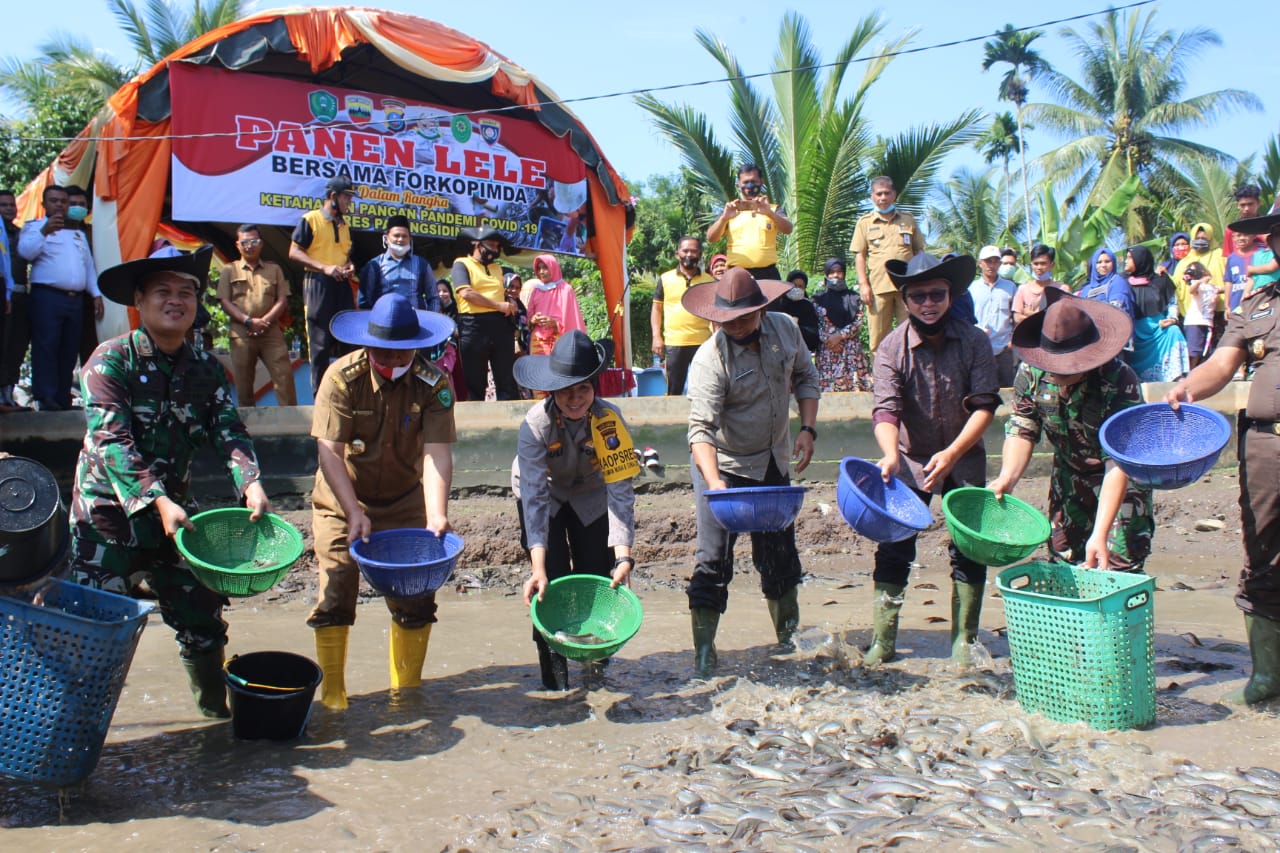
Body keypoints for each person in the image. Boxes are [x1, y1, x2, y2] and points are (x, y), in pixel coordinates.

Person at [68, 246, 270, 719]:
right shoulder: (108, 362)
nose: (175, 300)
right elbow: (112, 440)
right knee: (94, 628)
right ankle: (80, 735)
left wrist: (251, 483)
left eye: (187, 292)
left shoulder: (207, 371)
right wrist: (154, 500)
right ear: (140, 299)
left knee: (202, 618)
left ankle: (215, 722)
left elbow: (230, 433)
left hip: (177, 519)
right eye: (163, 291)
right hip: (106, 520)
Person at [307, 293, 457, 711]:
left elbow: (436, 452)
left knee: (416, 594)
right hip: (342, 497)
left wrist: (436, 514)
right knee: (337, 583)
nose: (390, 361)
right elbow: (329, 452)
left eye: (400, 352)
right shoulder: (341, 378)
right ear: (368, 344)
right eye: (381, 352)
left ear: (417, 345)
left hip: (406, 499)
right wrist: (353, 511)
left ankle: (406, 690)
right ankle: (334, 693)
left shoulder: (433, 382)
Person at [1165, 211, 1280, 706]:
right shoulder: (1256, 306)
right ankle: (1267, 676)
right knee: (1262, 550)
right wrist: (1186, 388)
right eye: (1278, 235)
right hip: (1264, 446)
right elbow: (1221, 363)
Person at [683, 268, 820, 677]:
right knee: (713, 560)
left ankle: (787, 640)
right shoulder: (710, 358)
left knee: (779, 557)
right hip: (723, 464)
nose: (737, 326)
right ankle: (705, 652)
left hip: (774, 462)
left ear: (761, 310)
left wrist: (808, 429)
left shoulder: (785, 330)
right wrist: (715, 487)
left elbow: (805, 376)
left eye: (745, 317)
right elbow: (700, 431)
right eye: (729, 320)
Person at [868, 253, 1000, 667]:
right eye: (919, 296)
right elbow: (885, 412)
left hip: (964, 456)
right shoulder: (891, 348)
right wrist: (890, 454)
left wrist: (954, 452)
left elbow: (984, 407)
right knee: (894, 546)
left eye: (937, 295)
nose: (929, 303)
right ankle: (883, 640)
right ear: (905, 300)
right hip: (909, 458)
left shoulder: (975, 341)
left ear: (951, 295)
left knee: (969, 548)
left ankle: (963, 640)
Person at [990, 291, 1153, 575]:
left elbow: (1118, 462)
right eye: (1052, 369)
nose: (1056, 376)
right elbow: (1022, 428)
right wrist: (1008, 477)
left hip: (1120, 482)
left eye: (1066, 370)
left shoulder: (1119, 380)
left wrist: (1100, 534)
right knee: (1066, 561)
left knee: (1115, 565)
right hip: (1069, 479)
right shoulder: (1030, 373)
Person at [514, 331, 637, 690]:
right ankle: (554, 682)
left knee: (597, 574)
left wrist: (624, 557)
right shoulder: (535, 424)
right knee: (548, 585)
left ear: (594, 387)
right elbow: (535, 497)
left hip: (592, 495)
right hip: (545, 496)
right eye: (566, 390)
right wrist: (537, 567)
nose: (574, 398)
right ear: (551, 390)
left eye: (583, 388)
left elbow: (620, 491)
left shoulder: (609, 421)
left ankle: (596, 673)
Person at [17, 184, 102, 410]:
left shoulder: (77, 233)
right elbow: (25, 252)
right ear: (44, 204)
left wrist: (96, 294)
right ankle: (45, 397)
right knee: (46, 346)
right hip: (47, 297)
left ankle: (62, 397)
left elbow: (89, 267)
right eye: (54, 200)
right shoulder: (35, 227)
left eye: (63, 201)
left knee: (69, 348)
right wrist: (45, 230)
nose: (59, 205)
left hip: (74, 300)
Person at [289, 176, 357, 396]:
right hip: (318, 282)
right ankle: (319, 397)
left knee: (348, 336)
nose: (349, 201)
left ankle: (349, 392)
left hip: (341, 283)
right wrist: (324, 267)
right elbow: (294, 252)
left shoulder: (345, 225)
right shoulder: (311, 219)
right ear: (333, 197)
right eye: (346, 197)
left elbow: (344, 255)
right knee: (320, 342)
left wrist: (349, 267)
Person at [218, 224, 296, 407]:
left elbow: (282, 300)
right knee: (243, 382)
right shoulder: (229, 270)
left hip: (271, 332)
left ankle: (290, 420)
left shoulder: (274, 269)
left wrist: (264, 321)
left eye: (254, 241)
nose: (249, 246)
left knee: (284, 376)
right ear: (238, 245)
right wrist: (248, 321)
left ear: (261, 243)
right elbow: (224, 301)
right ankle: (247, 427)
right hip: (241, 334)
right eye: (245, 242)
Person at [850, 176, 925, 355]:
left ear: (894, 195)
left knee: (912, 334)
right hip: (878, 288)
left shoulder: (908, 220)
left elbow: (919, 252)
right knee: (878, 339)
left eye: (887, 193)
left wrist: (921, 281)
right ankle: (881, 381)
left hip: (906, 287)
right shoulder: (865, 223)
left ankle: (912, 378)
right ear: (872, 197)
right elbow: (860, 255)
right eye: (879, 194)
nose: (883, 197)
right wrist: (864, 285)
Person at [451, 226, 520, 401]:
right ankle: (476, 426)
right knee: (475, 382)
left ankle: (510, 425)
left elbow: (501, 293)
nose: (494, 250)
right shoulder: (461, 264)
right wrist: (498, 305)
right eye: (491, 244)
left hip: (500, 325)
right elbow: (466, 293)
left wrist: (510, 302)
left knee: (506, 380)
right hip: (473, 325)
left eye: (497, 246)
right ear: (477, 244)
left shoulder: (497, 268)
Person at [706, 163, 793, 280]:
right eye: (745, 182)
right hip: (737, 274)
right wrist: (724, 218)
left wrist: (769, 213)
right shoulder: (730, 209)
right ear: (738, 184)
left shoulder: (773, 209)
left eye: (754, 181)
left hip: (767, 274)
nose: (750, 185)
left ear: (762, 182)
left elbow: (788, 229)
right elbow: (711, 238)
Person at [651, 236, 714, 395]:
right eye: (685, 250)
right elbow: (657, 310)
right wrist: (656, 337)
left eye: (694, 251)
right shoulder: (665, 279)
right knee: (674, 390)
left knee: (705, 388)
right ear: (677, 254)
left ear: (700, 254)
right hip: (675, 342)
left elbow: (715, 312)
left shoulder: (709, 280)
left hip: (703, 342)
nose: (689, 254)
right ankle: (672, 420)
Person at [1124, 245, 1189, 383]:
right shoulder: (1121, 282)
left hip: (1159, 329)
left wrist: (1172, 318)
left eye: (1130, 258)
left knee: (1174, 331)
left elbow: (1172, 302)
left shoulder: (1160, 280)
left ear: (1140, 259)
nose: (1126, 261)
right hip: (1135, 332)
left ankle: (1176, 377)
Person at [357, 214, 439, 313]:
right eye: (396, 235)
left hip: (416, 324)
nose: (400, 239)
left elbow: (434, 298)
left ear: (410, 239)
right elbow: (363, 302)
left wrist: (430, 320)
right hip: (383, 324)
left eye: (404, 236)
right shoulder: (374, 265)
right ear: (386, 239)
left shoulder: (422, 265)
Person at [811, 257, 871, 392]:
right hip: (828, 352)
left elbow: (858, 321)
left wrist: (840, 336)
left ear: (844, 273)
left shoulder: (855, 298)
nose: (835, 275)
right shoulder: (817, 299)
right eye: (831, 272)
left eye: (839, 272)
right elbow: (815, 323)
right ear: (826, 274)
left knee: (854, 394)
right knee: (828, 396)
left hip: (850, 351)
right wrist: (829, 339)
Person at [1172, 222, 1227, 346]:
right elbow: (1176, 285)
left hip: (1218, 312)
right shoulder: (1185, 261)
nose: (1200, 241)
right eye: (1197, 238)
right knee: (1196, 351)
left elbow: (1230, 280)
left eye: (1203, 238)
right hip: (1194, 316)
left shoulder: (1221, 255)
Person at [971, 245, 1019, 387]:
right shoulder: (971, 288)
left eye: (995, 261)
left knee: (1007, 389)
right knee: (982, 388)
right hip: (979, 348)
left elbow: (1015, 316)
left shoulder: (1010, 287)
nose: (991, 265)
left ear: (999, 263)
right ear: (980, 263)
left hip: (1004, 348)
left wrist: (1012, 340)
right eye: (988, 261)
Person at [0, 189, 30, 408]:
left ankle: (10, 391)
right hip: (4, 295)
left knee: (17, 346)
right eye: (3, 205)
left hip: (21, 296)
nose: (9, 208)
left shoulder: (23, 233)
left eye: (11, 204)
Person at [66, 185, 100, 369]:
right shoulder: (52, 230)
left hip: (92, 299)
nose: (78, 207)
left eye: (82, 204)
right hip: (64, 297)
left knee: (91, 345)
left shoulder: (96, 232)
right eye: (73, 204)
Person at [526, 254, 585, 360]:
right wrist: (533, 319)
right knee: (537, 372)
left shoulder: (566, 290)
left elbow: (572, 320)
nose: (541, 272)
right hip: (538, 342)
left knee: (558, 373)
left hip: (559, 340)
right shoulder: (536, 290)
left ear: (553, 267)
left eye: (545, 267)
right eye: (538, 268)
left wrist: (554, 323)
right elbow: (529, 318)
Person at [1012, 244, 1069, 325]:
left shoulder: (1062, 289)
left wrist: (1031, 314)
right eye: (1036, 263)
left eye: (1043, 263)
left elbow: (1065, 318)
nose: (1039, 267)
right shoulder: (1023, 289)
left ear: (1052, 265)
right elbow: (1017, 318)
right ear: (1031, 265)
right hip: (1029, 336)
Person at [771, 269, 820, 354]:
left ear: (805, 288)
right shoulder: (779, 304)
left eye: (800, 286)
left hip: (802, 352)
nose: (797, 289)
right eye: (794, 285)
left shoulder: (808, 306)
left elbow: (814, 334)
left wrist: (797, 328)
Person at [1078, 248, 1135, 319]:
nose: (1103, 265)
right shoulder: (1086, 289)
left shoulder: (1117, 282)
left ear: (1113, 263)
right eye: (1099, 262)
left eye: (1107, 261)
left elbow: (1116, 310)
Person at [1180, 261, 1217, 368]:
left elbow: (1224, 289)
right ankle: (1189, 373)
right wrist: (1201, 280)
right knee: (1194, 351)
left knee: (1204, 352)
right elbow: (1192, 290)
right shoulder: (1197, 286)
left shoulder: (1211, 287)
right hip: (1195, 322)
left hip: (1207, 323)